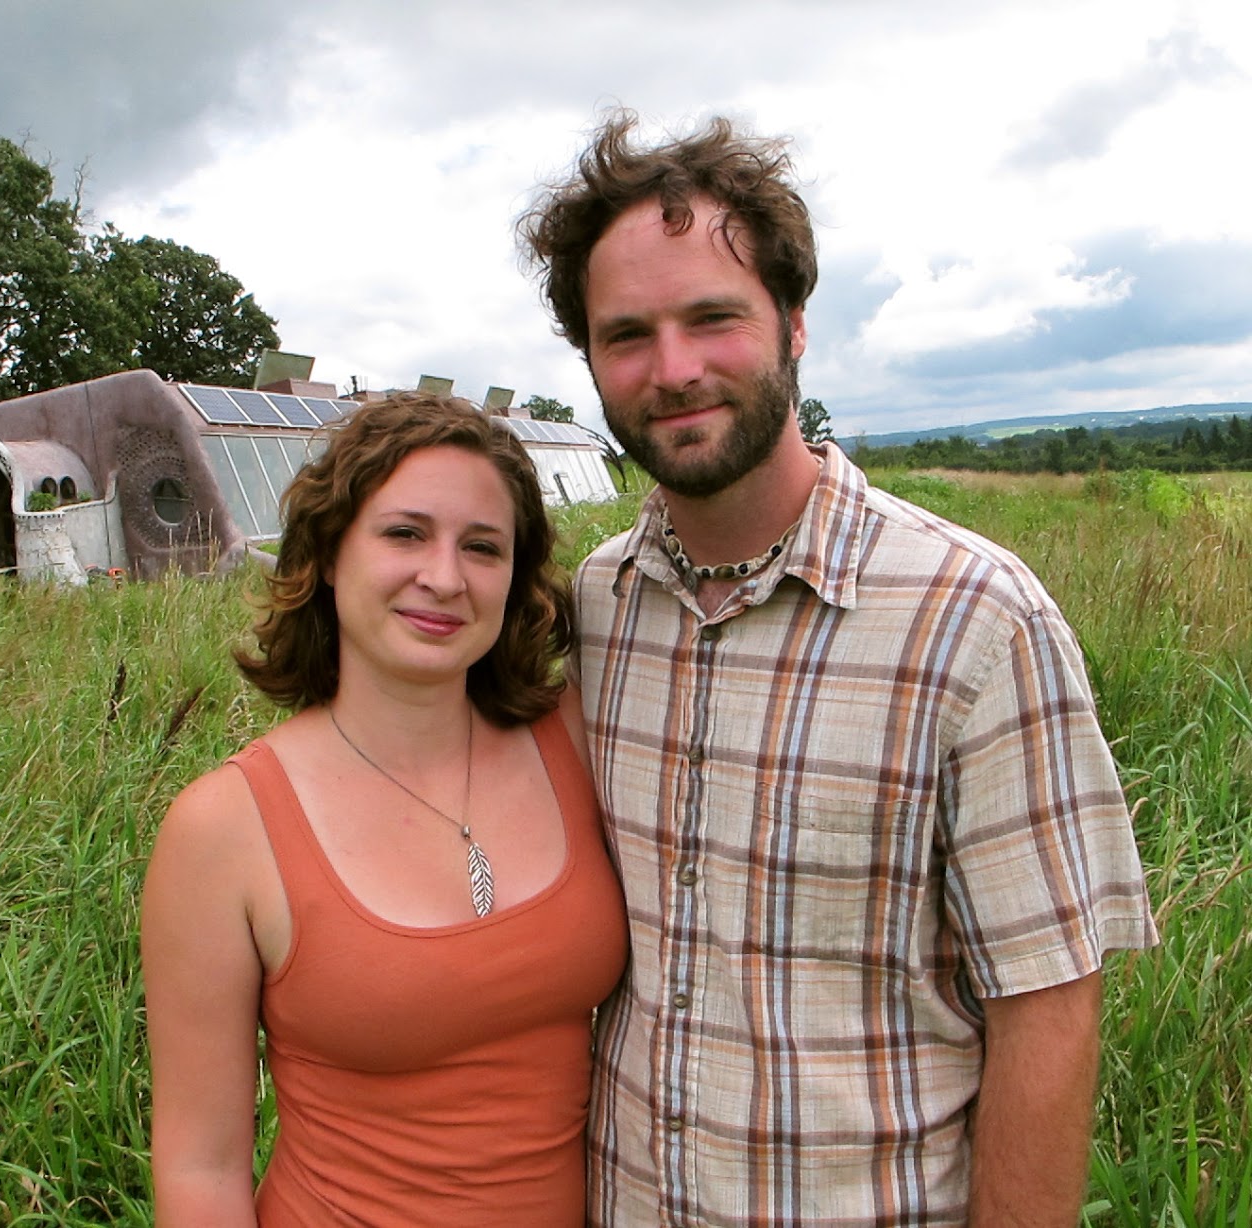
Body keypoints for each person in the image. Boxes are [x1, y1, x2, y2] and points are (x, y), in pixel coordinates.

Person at [519, 112, 1157, 1226]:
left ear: (794, 325)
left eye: (713, 318)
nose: (672, 370)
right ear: (589, 359)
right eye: (627, 335)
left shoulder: (974, 619)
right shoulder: (594, 609)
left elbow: (1048, 1010)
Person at [141, 391, 629, 1226]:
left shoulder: (578, 743)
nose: (443, 577)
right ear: (329, 555)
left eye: (482, 546)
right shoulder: (225, 829)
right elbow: (200, 1165)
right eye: (404, 533)